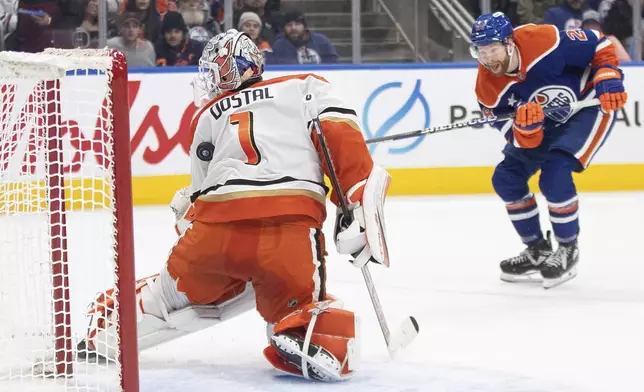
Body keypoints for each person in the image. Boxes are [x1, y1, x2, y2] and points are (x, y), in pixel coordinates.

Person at [80, 29, 392, 382]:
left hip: (214, 236)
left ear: (234, 69)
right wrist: (352, 206)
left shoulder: (207, 116)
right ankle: (303, 331)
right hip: (287, 233)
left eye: (216, 71)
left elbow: (196, 202)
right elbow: (341, 136)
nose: (211, 81)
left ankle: (110, 321)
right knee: (299, 301)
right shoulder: (306, 86)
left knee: (173, 289)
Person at [470, 12, 627, 288]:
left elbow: (599, 44)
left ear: (509, 43)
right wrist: (528, 130)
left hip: (587, 106)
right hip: (549, 124)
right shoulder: (488, 89)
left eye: (492, 49)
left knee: (554, 174)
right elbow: (516, 140)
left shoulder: (542, 40)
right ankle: (538, 249)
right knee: (506, 178)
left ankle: (567, 248)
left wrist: (607, 75)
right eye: (481, 51)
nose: (488, 58)